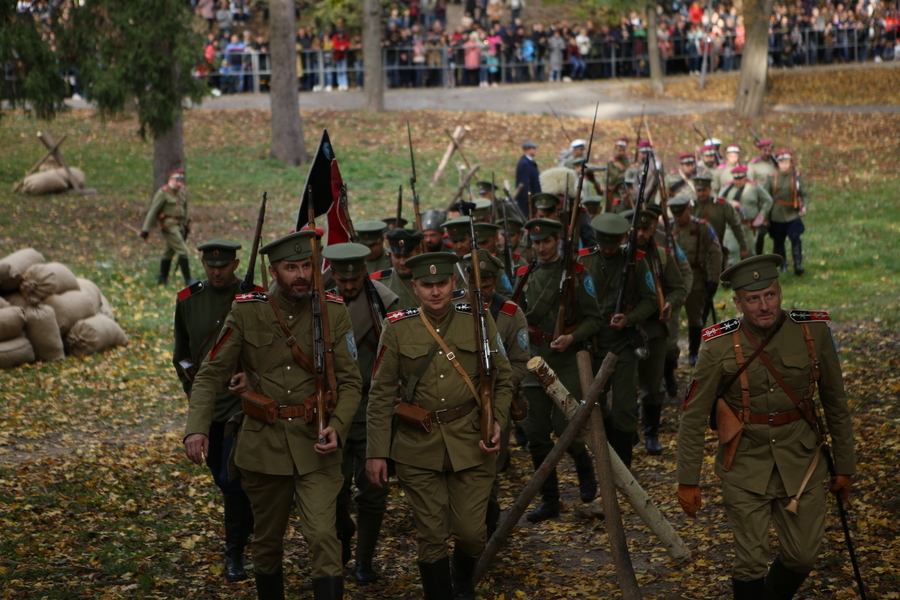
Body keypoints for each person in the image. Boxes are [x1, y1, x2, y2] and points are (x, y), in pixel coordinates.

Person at [183, 230, 363, 600]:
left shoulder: (332, 310)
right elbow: (210, 374)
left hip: (317, 443)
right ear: (273, 270)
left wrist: (339, 427)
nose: (300, 275)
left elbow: (351, 382)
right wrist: (196, 429)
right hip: (263, 447)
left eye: (305, 266)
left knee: (323, 537)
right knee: (266, 542)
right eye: (290, 267)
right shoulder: (248, 309)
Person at [676, 254, 856, 599]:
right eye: (753, 299)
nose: (764, 306)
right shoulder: (717, 344)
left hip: (802, 461)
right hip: (744, 463)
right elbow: (694, 415)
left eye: (770, 295)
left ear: (781, 292)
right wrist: (688, 479)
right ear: (738, 302)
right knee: (750, 560)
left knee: (803, 557)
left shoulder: (813, 331)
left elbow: (836, 403)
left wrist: (845, 466)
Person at [365, 252, 513, 600]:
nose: (435, 292)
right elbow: (381, 392)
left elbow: (503, 377)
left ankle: (461, 579)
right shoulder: (398, 326)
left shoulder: (478, 319)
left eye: (442, 284)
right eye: (427, 285)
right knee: (432, 535)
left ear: (454, 284)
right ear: (414, 287)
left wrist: (497, 422)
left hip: (471, 440)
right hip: (419, 445)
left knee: (472, 534)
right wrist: (377, 452)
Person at [174, 239, 255, 582]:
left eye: (223, 266)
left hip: (247, 406)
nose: (217, 271)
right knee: (225, 481)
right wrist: (195, 391)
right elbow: (181, 352)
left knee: (232, 479)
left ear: (236, 264)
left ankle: (234, 551)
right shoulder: (188, 300)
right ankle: (245, 531)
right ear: (203, 265)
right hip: (211, 406)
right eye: (211, 266)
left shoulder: (254, 296)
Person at [321, 243, 400, 585]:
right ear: (332, 273)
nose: (349, 285)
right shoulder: (316, 300)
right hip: (331, 406)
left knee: (373, 488)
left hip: (372, 405)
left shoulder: (383, 301)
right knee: (330, 487)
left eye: (355, 278)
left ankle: (364, 561)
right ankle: (342, 536)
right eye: (342, 278)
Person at [519, 218, 601, 522]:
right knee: (536, 431)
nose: (541, 248)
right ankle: (549, 499)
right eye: (536, 242)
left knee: (566, 427)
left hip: (566, 362)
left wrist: (573, 337)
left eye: (547, 241)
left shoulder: (577, 274)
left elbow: (595, 318)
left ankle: (584, 467)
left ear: (558, 241)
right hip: (534, 360)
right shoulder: (523, 276)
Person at [458, 249, 530, 537]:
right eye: (475, 284)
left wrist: (495, 386)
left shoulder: (511, 314)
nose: (481, 290)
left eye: (486, 284)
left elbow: (521, 363)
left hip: (495, 402)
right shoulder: (453, 309)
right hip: (459, 402)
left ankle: (488, 526)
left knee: (489, 470)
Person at [578, 213, 658, 467]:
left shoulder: (635, 262)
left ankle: (623, 467)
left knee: (624, 407)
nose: (607, 250)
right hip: (592, 342)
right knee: (594, 404)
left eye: (612, 245)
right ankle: (612, 442)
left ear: (623, 239)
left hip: (623, 343)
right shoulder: (585, 261)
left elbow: (651, 300)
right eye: (603, 244)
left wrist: (629, 318)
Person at [620, 210, 686, 455]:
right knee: (625, 384)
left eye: (645, 229)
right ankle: (629, 430)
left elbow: (678, 288)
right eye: (636, 229)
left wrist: (670, 303)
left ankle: (651, 434)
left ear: (652, 230)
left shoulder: (662, 256)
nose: (640, 234)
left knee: (653, 385)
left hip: (654, 328)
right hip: (625, 329)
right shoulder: (619, 256)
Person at [669, 195, 722, 366]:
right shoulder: (667, 229)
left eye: (681, 213)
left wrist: (714, 278)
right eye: (674, 214)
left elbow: (715, 252)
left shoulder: (702, 227)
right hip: (673, 279)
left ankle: (693, 352)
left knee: (695, 317)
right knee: (671, 318)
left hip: (697, 278)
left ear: (688, 209)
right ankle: (671, 356)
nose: (677, 217)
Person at [140, 169, 195, 286]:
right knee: (183, 250)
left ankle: (162, 279)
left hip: (180, 225)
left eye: (181, 181)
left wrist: (187, 224)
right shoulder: (163, 193)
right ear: (170, 180)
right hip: (169, 226)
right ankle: (188, 280)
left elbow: (186, 209)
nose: (179, 183)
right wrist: (146, 230)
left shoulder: (182, 192)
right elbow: (152, 211)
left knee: (168, 253)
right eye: (176, 180)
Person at [762, 150, 808, 276]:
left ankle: (797, 264)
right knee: (778, 240)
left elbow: (803, 194)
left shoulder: (796, 177)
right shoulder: (772, 178)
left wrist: (803, 206)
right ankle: (782, 264)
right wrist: (765, 216)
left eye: (786, 162)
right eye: (781, 162)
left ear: (790, 163)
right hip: (777, 213)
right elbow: (766, 198)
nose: (784, 165)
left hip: (792, 213)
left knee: (795, 237)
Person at [718, 165, 773, 265]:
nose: (738, 181)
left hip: (749, 226)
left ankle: (749, 278)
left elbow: (768, 201)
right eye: (735, 178)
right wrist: (730, 203)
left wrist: (762, 215)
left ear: (745, 177)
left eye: (741, 178)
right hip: (731, 227)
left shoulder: (754, 187)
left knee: (750, 254)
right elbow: (718, 201)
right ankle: (732, 277)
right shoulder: (726, 188)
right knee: (731, 251)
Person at [370, 228, 425, 309]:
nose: (402, 262)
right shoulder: (378, 281)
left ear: (418, 251)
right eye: (397, 256)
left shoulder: (431, 278)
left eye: (407, 256)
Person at [515, 140, 541, 219]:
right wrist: (528, 197)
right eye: (533, 148)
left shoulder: (529, 162)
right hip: (527, 198)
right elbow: (524, 181)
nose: (535, 151)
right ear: (528, 149)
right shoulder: (524, 163)